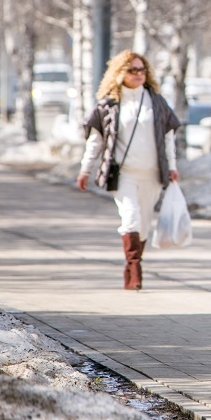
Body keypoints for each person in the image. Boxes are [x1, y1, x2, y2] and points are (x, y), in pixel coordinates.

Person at [76, 51, 181, 290]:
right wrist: (85, 170)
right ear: (119, 72)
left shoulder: (156, 101)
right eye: (132, 70)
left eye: (141, 70)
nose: (138, 74)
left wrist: (172, 167)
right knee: (131, 218)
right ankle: (134, 271)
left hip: (152, 173)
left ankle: (133, 264)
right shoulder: (109, 104)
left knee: (143, 223)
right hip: (124, 174)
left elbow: (168, 138)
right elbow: (95, 141)